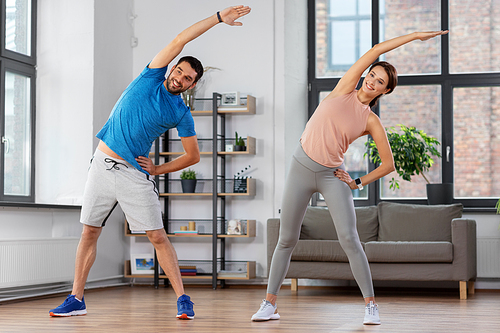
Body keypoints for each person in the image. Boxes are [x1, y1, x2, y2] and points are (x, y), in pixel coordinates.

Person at [49, 5, 251, 320]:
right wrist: (217, 19)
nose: (181, 79)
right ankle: (76, 298)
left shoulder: (180, 113)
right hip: (101, 165)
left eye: (188, 79)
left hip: (133, 174)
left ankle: (184, 300)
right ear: (172, 69)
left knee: (157, 236)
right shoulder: (150, 77)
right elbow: (180, 39)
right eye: (180, 72)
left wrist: (157, 169)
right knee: (89, 232)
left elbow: (193, 155)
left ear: (192, 85)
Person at [251, 30, 448, 325]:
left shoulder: (370, 120)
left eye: (380, 82)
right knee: (287, 239)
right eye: (372, 75)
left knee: (350, 239)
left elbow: (389, 164)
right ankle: (269, 303)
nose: (372, 81)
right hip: (300, 168)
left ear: (385, 91)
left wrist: (357, 182)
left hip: (332, 177)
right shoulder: (344, 88)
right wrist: (417, 36)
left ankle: (371, 305)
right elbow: (377, 48)